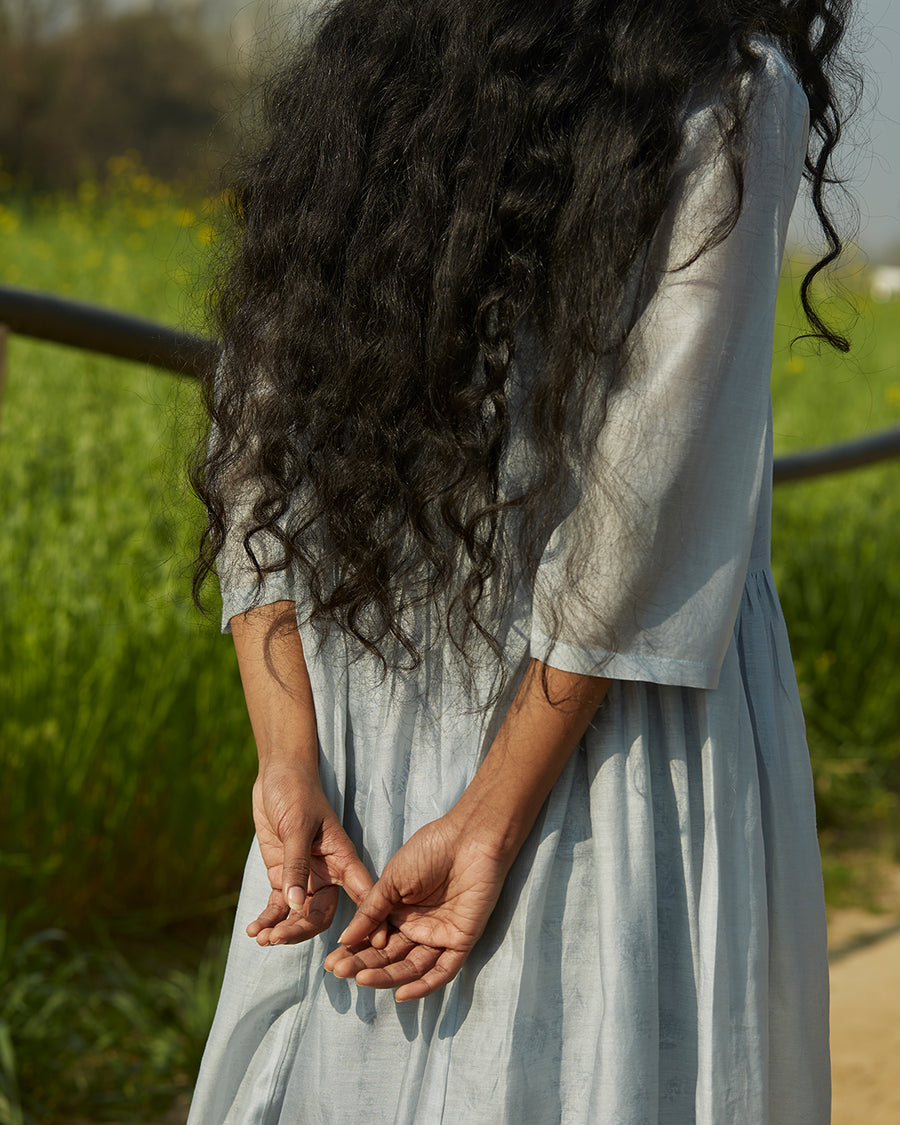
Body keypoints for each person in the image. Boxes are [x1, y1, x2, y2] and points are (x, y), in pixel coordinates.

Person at [188, 2, 853, 1121]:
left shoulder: (379, 49)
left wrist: (286, 752)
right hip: (606, 734)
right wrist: (489, 818)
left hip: (363, 708)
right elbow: (642, 501)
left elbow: (255, 442)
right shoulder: (724, 89)